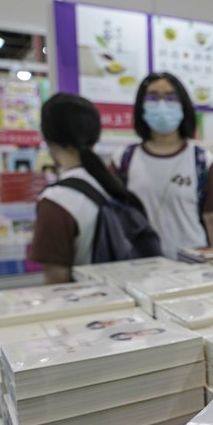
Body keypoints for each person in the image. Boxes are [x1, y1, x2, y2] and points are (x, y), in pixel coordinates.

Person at [29, 94, 150, 285]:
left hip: (87, 307)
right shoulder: (112, 186)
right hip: (128, 300)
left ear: (48, 137)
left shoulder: (56, 200)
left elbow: (55, 280)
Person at [112, 72, 213, 259]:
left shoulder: (202, 160)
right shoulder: (123, 159)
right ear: (141, 106)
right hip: (138, 268)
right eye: (152, 97)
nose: (162, 104)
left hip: (193, 267)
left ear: (183, 105)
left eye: (170, 97)